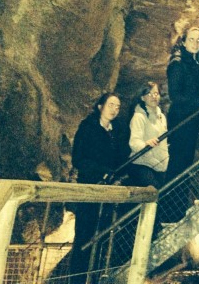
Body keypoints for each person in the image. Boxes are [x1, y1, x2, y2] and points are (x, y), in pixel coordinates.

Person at [70, 92, 128, 284]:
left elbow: (120, 159)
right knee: (84, 235)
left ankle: (94, 278)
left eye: (118, 106)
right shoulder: (88, 127)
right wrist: (102, 172)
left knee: (102, 235)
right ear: (100, 106)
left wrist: (117, 174)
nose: (115, 109)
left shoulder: (116, 131)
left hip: (108, 189)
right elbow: (79, 158)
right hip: (89, 187)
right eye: (111, 105)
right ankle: (77, 280)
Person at [165, 27, 199, 183]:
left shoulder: (194, 62)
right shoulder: (178, 63)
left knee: (186, 162)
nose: (195, 43)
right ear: (183, 41)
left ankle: (180, 198)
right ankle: (169, 198)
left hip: (191, 118)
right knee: (178, 163)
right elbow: (175, 95)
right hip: (181, 119)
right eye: (191, 39)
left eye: (198, 40)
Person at [128, 81, 168, 190]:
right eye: (149, 94)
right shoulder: (139, 116)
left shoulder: (162, 117)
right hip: (143, 164)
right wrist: (145, 144)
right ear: (142, 98)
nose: (153, 96)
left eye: (156, 93)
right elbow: (134, 141)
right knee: (154, 192)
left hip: (160, 166)